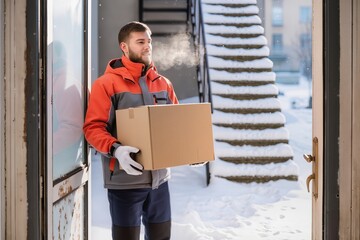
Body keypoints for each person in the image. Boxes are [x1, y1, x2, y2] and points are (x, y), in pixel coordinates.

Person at [83, 21, 178, 240]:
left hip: (160, 181)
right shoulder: (106, 84)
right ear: (124, 47)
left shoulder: (163, 83)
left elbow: (177, 125)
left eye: (149, 41)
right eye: (140, 42)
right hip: (125, 181)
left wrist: (192, 149)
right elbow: (92, 128)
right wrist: (116, 150)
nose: (147, 46)